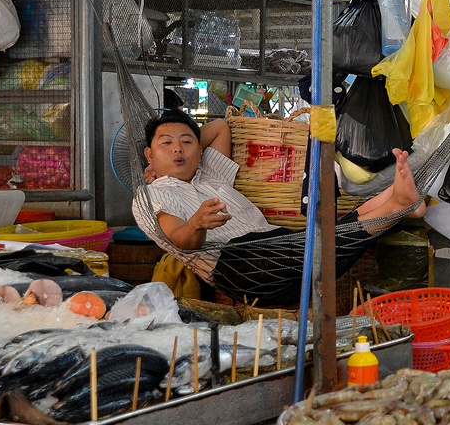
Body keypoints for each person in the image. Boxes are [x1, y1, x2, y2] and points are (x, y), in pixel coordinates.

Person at [133, 111, 425, 306]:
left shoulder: (209, 173)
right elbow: (179, 240)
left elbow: (220, 127)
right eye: (166, 143)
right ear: (149, 154)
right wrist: (196, 223)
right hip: (239, 265)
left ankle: (396, 201)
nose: (177, 149)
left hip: (273, 243)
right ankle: (397, 205)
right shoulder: (151, 195)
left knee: (328, 240)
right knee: (324, 247)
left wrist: (190, 140)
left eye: (186, 142)